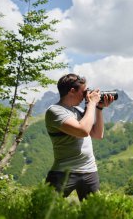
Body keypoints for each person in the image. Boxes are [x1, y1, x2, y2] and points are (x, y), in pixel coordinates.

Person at [45, 73, 114, 201]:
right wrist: (92, 104)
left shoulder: (77, 110)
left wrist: (98, 108)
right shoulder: (54, 111)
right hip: (63, 172)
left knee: (95, 213)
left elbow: (98, 134)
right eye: (83, 92)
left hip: (89, 171)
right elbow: (82, 131)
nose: (85, 96)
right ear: (72, 91)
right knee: (44, 210)